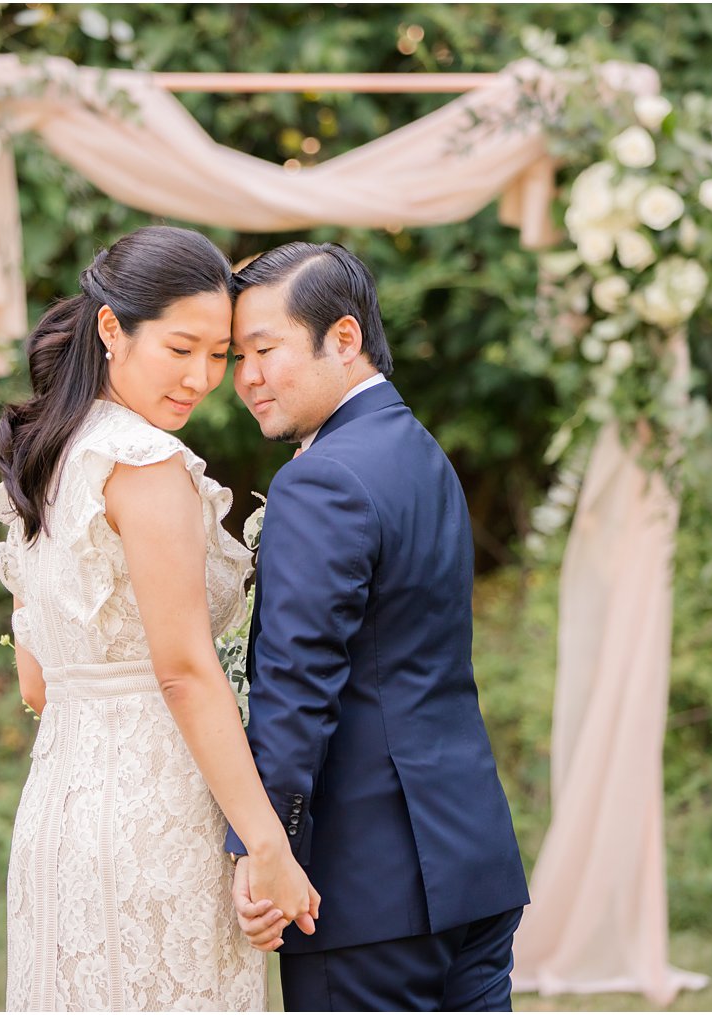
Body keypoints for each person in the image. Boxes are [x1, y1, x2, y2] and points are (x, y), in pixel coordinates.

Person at [0, 225, 318, 1011]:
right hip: (158, 816)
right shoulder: (144, 463)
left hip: (58, 811)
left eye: (219, 354)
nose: (202, 377)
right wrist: (267, 843)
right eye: (181, 348)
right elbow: (184, 671)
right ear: (112, 328)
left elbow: (35, 678)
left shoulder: (47, 456)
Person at [225, 241, 531, 1011]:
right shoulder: (422, 453)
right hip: (471, 864)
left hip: (370, 892)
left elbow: (298, 683)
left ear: (346, 337)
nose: (246, 378)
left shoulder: (320, 478)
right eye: (238, 356)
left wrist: (267, 846)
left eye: (265, 350)